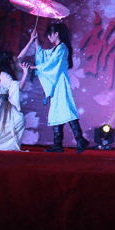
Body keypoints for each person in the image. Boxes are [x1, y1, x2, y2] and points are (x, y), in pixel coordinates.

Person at [19, 22, 89, 154]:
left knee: (66, 109)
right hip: (56, 83)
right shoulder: (57, 48)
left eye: (49, 34)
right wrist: (35, 40)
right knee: (57, 111)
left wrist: (31, 67)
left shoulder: (62, 48)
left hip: (61, 82)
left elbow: (50, 64)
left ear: (56, 34)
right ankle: (59, 144)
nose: (48, 37)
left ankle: (79, 140)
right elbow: (42, 55)